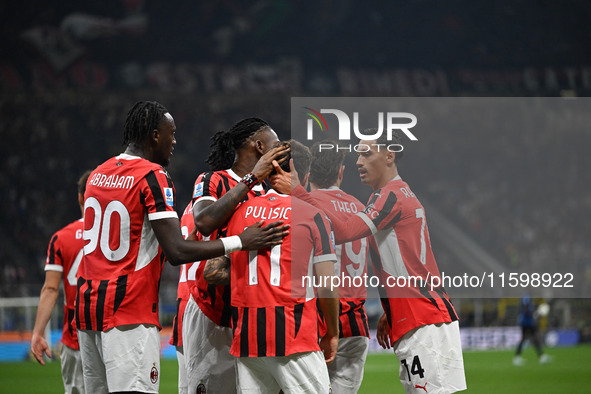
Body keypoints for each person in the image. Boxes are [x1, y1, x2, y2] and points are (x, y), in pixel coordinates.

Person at [75, 101, 288, 394]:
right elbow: (179, 248)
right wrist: (242, 241)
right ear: (154, 136)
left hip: (88, 309)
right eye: (170, 134)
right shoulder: (156, 175)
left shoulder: (97, 175)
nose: (175, 141)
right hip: (131, 312)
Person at [287, 131, 467, 393]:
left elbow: (345, 232)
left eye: (366, 153)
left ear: (389, 156)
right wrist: (391, 307)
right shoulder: (398, 194)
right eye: (358, 155)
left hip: (422, 317)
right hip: (419, 314)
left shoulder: (390, 196)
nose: (359, 162)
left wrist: (298, 192)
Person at [205, 140, 340, 394]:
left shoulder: (237, 212)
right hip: (295, 336)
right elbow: (327, 284)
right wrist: (332, 332)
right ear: (303, 174)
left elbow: (212, 270)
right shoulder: (313, 215)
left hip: (248, 340)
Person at [182, 117, 289, 393]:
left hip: (254, 316)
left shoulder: (272, 192)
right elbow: (204, 221)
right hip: (213, 312)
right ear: (259, 145)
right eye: (276, 145)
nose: (282, 150)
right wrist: (252, 178)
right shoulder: (213, 179)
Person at [308, 140, 371, 393]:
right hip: (356, 324)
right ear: (341, 172)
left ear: (308, 173)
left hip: (318, 320)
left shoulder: (304, 207)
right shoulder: (361, 208)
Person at [31, 170, 91, 394]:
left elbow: (50, 288)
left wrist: (38, 333)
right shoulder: (115, 234)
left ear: (80, 198)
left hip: (73, 338)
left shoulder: (61, 238)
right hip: (107, 334)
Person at [513, 295, 551, 366]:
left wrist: (536, 315)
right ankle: (541, 356)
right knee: (531, 338)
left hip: (528, 322)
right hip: (526, 322)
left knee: (532, 338)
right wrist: (535, 314)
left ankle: (541, 356)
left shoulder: (530, 297)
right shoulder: (526, 297)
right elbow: (526, 309)